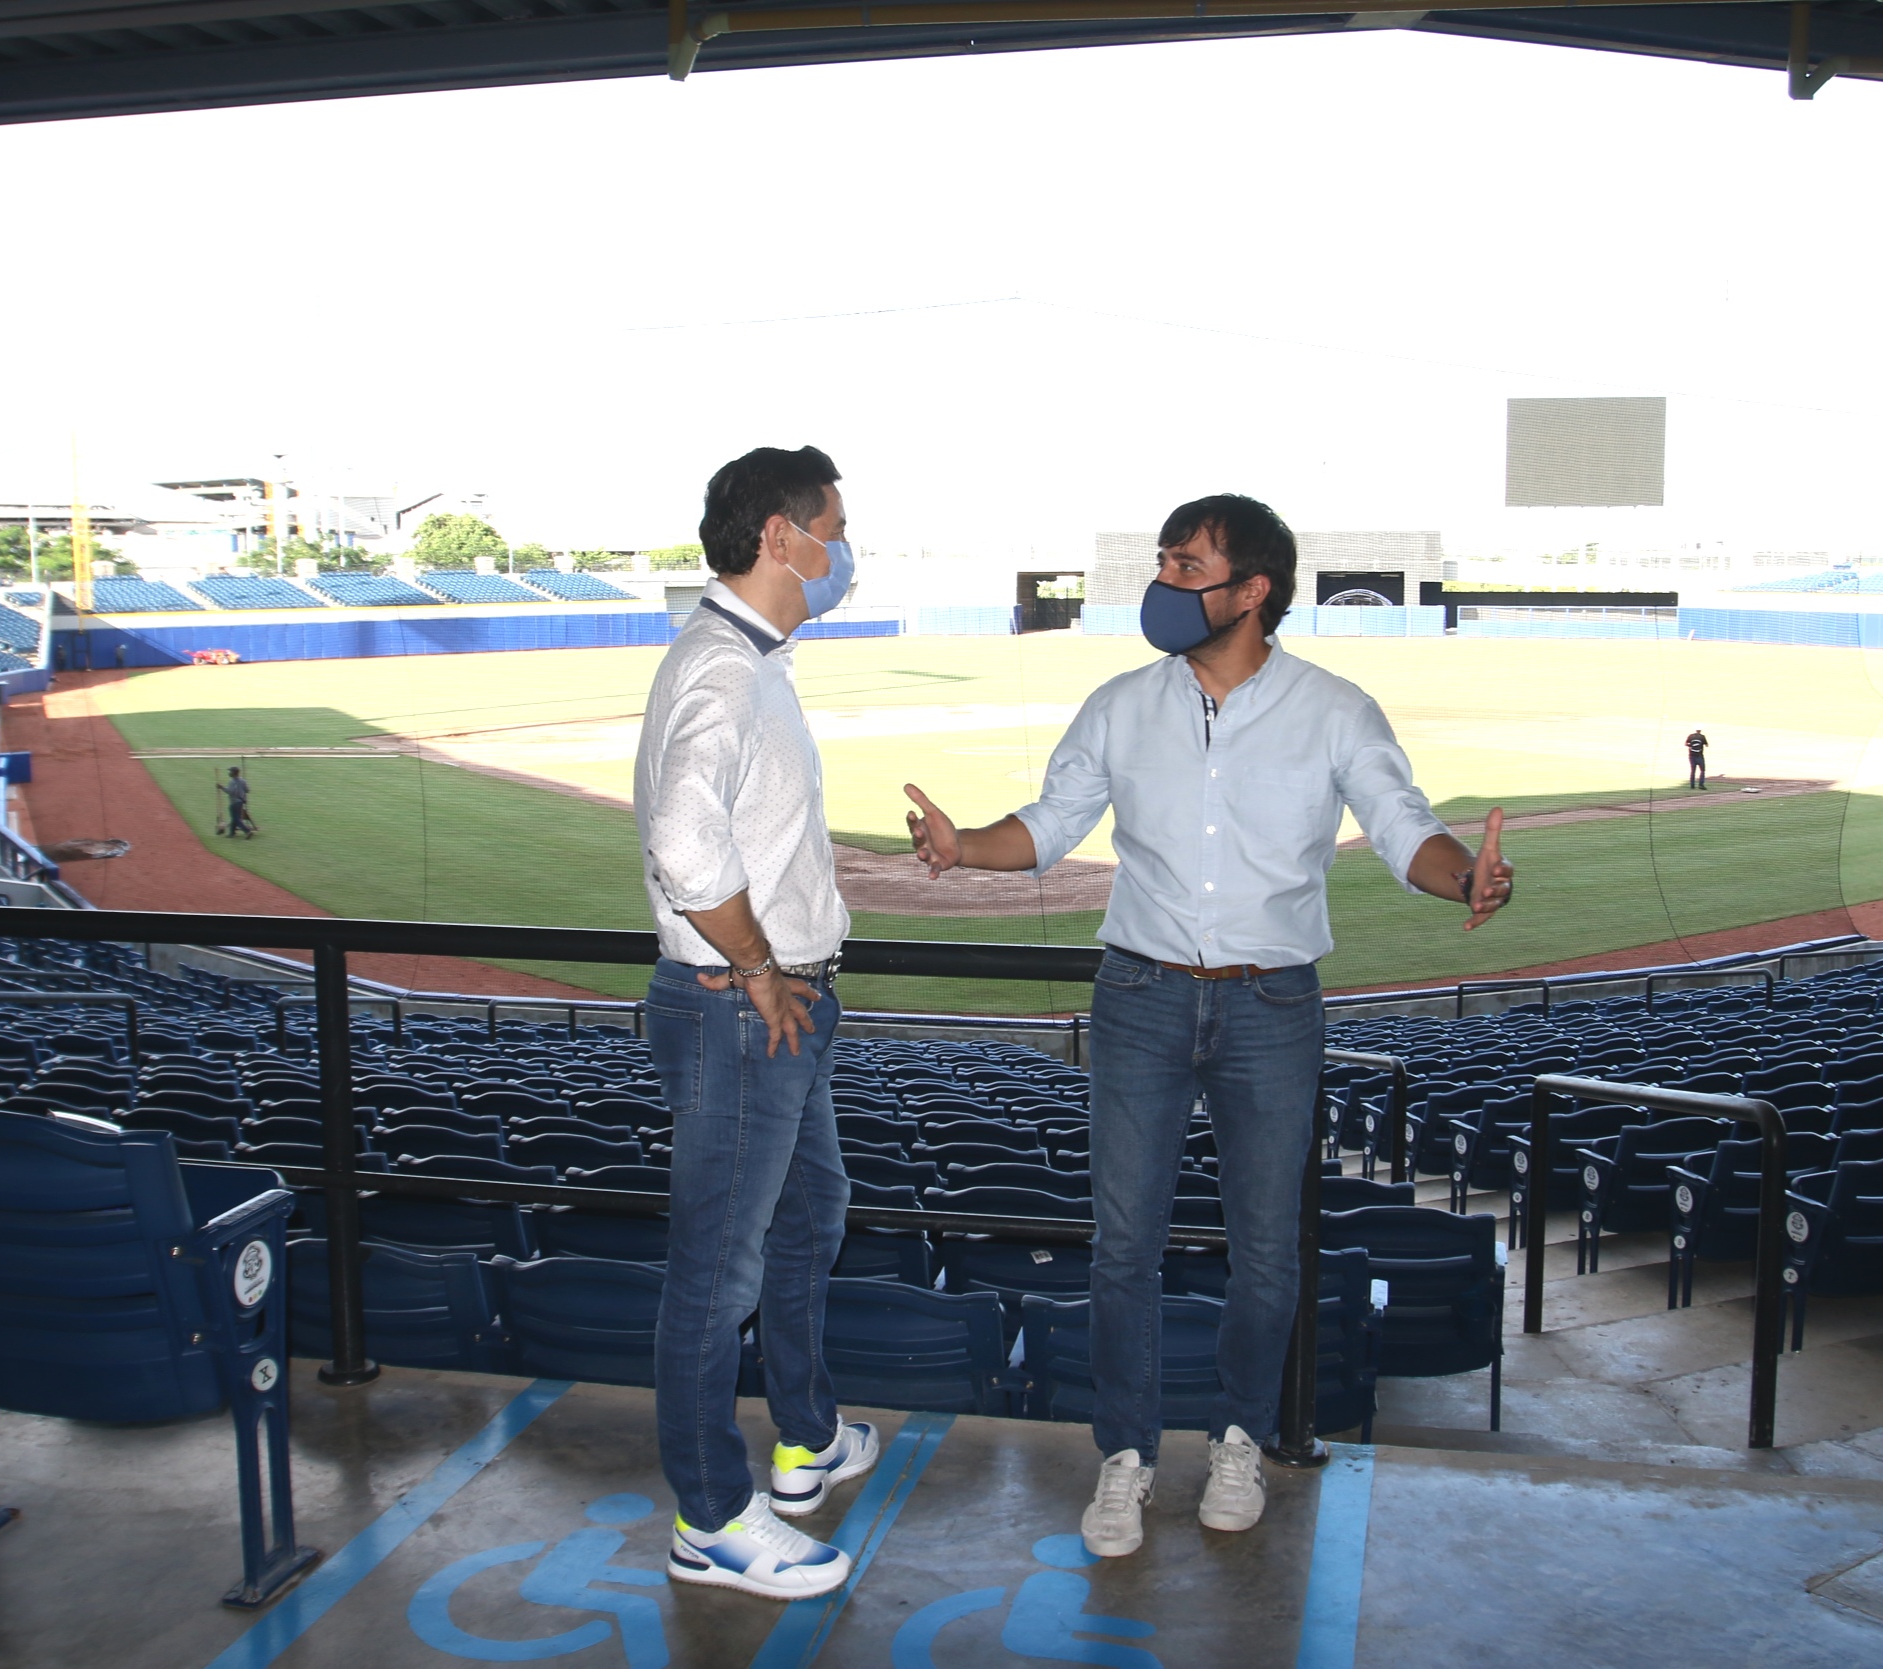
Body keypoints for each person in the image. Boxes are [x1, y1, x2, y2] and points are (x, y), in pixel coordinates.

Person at [903, 493, 1512, 1559]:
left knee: (1266, 1251)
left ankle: (1239, 1436)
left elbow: (1402, 826)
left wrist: (1467, 874)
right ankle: (1124, 1454)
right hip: (1137, 996)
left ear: (1252, 589)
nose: (1165, 581)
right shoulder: (1119, 703)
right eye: (1165, 561)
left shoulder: (1334, 708)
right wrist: (965, 848)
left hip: (1272, 1001)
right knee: (1122, 1247)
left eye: (1188, 566)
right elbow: (1049, 825)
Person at [633, 445, 876, 1601]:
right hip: (742, 1011)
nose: (842, 549)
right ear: (781, 536)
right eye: (832, 525)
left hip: (773, 1008)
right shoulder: (726, 670)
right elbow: (685, 845)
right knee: (715, 1270)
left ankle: (804, 1440)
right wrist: (762, 967)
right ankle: (711, 1518)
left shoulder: (748, 659)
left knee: (809, 1210)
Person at [220, 766, 253, 837]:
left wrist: (222, 787)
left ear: (234, 773)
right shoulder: (243, 781)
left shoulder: (232, 782)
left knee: (236, 819)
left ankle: (247, 831)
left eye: (230, 771)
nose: (229, 773)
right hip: (240, 802)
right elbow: (247, 790)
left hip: (234, 802)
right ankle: (232, 833)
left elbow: (230, 792)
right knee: (234, 818)